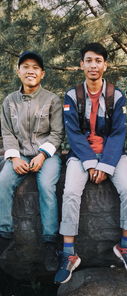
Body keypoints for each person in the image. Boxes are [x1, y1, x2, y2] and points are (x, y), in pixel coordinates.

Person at [54, 42, 127, 284]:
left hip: (112, 155)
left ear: (105, 65)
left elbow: (118, 134)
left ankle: (124, 246)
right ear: (81, 64)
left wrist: (105, 166)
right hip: (81, 155)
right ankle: (69, 253)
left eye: (98, 60)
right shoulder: (73, 95)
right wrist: (91, 163)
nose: (94, 65)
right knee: (70, 191)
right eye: (89, 60)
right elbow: (73, 133)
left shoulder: (117, 95)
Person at [0, 51, 64, 269]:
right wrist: (14, 158)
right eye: (25, 66)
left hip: (47, 155)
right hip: (19, 154)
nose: (30, 71)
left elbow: (57, 133)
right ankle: (5, 233)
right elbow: (7, 133)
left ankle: (49, 242)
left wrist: (43, 154)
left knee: (46, 185)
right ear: (19, 72)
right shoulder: (9, 101)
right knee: (3, 182)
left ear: (42, 73)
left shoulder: (52, 99)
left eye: (35, 67)